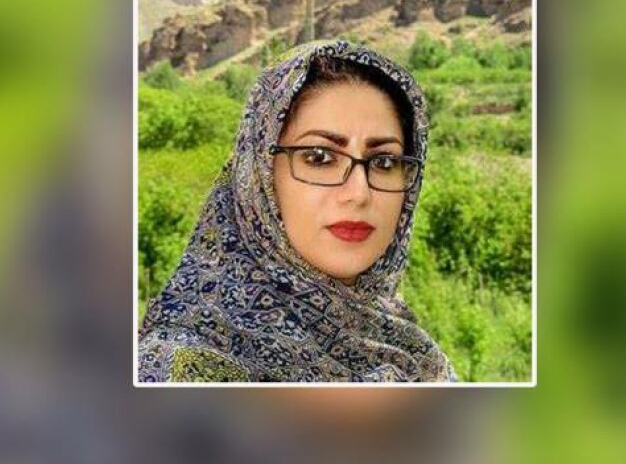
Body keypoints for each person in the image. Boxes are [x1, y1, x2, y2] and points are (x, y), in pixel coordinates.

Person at [137, 39, 455, 382]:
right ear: (259, 176)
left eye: (384, 162)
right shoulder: (178, 367)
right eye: (319, 157)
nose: (359, 193)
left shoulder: (413, 354)